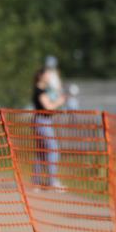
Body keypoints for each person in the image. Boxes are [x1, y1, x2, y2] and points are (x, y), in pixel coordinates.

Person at [32, 55, 65, 191]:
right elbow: (48, 107)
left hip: (41, 121)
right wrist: (59, 102)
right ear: (41, 76)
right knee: (53, 150)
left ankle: (37, 181)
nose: (49, 76)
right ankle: (51, 181)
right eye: (46, 75)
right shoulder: (39, 91)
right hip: (42, 121)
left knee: (41, 152)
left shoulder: (42, 90)